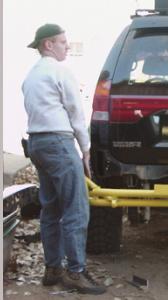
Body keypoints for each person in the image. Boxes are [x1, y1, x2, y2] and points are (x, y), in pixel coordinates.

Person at [23, 23, 106, 295]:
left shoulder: (31, 77)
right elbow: (75, 113)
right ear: (48, 44)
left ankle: (52, 269)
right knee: (76, 208)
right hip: (59, 143)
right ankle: (76, 272)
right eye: (62, 42)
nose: (67, 46)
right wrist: (86, 149)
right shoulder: (59, 71)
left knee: (51, 208)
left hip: (37, 143)